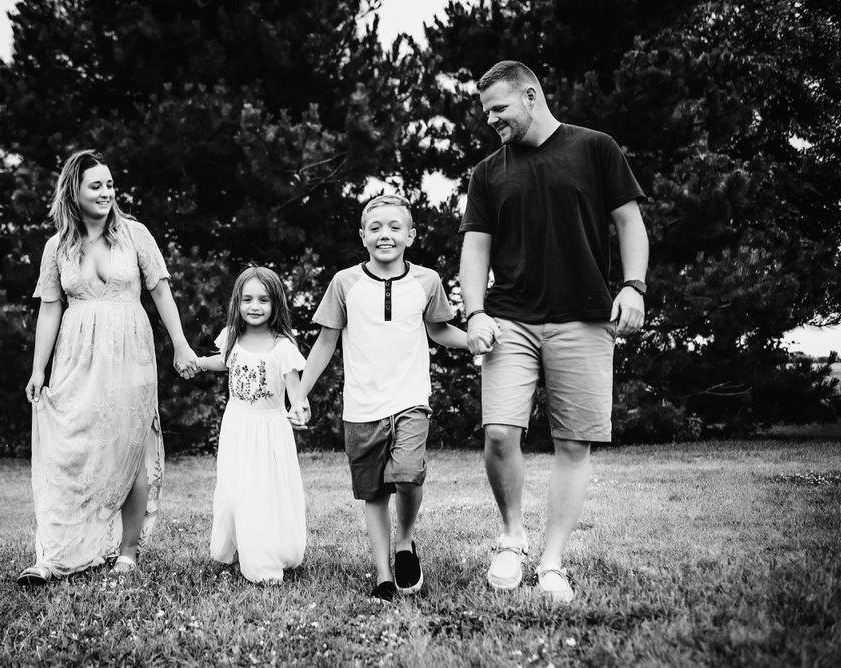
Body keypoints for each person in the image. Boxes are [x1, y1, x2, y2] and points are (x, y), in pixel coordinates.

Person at [459, 60, 648, 603]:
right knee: (499, 432)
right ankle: (512, 538)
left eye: (499, 108)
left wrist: (633, 286)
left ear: (531, 95)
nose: (492, 119)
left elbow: (630, 223)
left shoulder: (595, 148)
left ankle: (552, 562)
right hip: (510, 319)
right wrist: (475, 313)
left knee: (573, 443)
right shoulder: (487, 173)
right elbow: (475, 248)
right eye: (486, 112)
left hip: (583, 317)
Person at [17, 149, 199, 586]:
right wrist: (38, 369)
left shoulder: (135, 234)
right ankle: (54, 554)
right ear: (73, 192)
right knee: (69, 452)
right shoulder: (57, 247)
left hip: (130, 352)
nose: (106, 193)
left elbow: (160, 291)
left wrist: (180, 345)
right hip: (76, 356)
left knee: (130, 448)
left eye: (110, 185)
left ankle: (128, 551)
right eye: (95, 185)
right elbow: (49, 309)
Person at [289, 194, 467, 601]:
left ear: (411, 235)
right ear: (362, 236)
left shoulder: (427, 281)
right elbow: (326, 342)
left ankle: (404, 543)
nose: (385, 234)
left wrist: (473, 339)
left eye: (394, 227)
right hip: (361, 407)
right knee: (374, 494)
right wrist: (299, 393)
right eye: (375, 227)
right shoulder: (344, 283)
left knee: (408, 473)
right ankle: (384, 578)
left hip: (410, 399)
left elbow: (439, 330)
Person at [195, 266, 307, 584]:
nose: (254, 306)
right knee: (234, 492)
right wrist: (198, 363)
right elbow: (224, 361)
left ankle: (263, 561)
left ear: (276, 304)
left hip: (269, 431)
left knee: (262, 494)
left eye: (263, 300)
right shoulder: (232, 336)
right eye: (247, 299)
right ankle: (236, 546)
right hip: (236, 427)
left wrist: (300, 408)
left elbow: (296, 391)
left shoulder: (283, 347)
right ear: (237, 302)